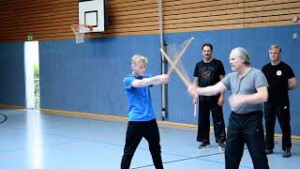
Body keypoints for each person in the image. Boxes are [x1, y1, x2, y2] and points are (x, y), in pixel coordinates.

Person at [188, 47, 270, 169]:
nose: (230, 61)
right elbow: (214, 89)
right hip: (235, 120)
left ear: (242, 59)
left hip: (252, 121)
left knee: (258, 156)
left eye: (233, 59)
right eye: (229, 59)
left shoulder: (257, 74)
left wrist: (243, 98)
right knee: (231, 155)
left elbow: (264, 95)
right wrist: (197, 90)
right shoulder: (231, 77)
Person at [121, 54, 169, 169]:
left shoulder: (146, 76)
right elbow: (141, 83)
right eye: (140, 67)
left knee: (156, 150)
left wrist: (162, 79)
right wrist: (158, 78)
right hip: (136, 121)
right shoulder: (128, 79)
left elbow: (153, 82)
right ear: (133, 66)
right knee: (128, 153)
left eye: (144, 67)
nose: (143, 69)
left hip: (150, 121)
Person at [262, 45, 297, 158]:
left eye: (275, 53)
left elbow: (293, 84)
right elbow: (261, 83)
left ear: (279, 53)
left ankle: (286, 148)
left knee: (285, 125)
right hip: (268, 102)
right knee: (268, 125)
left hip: (282, 102)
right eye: (271, 53)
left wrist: (281, 88)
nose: (273, 55)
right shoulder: (265, 68)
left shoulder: (286, 68)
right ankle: (268, 147)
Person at [193, 43, 226, 150]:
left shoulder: (218, 64)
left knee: (218, 119)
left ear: (211, 51)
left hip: (215, 96)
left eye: (208, 51)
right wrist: (195, 96)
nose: (206, 53)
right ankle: (204, 140)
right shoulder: (198, 65)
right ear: (202, 52)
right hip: (203, 97)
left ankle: (221, 141)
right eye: (205, 51)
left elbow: (223, 81)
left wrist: (222, 96)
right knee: (203, 119)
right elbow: (196, 82)